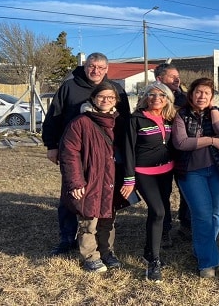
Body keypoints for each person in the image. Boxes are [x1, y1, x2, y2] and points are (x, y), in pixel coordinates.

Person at [42, 52, 130, 257]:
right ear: (84, 66)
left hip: (106, 155)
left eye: (100, 67)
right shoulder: (69, 87)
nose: (95, 71)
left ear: (107, 70)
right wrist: (51, 145)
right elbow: (54, 116)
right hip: (73, 152)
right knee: (71, 195)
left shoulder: (116, 90)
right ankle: (66, 238)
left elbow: (124, 122)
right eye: (91, 66)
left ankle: (101, 240)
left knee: (103, 197)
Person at [171, 77, 219, 278]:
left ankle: (203, 249)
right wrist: (212, 141)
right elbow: (181, 143)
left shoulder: (218, 113)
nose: (202, 96)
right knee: (201, 214)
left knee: (216, 212)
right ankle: (207, 262)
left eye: (207, 93)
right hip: (191, 171)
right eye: (198, 92)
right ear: (191, 93)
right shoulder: (181, 115)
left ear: (212, 97)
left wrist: (213, 109)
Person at [58, 82, 122, 272]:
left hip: (111, 179)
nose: (106, 100)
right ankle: (90, 256)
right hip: (90, 178)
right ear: (93, 98)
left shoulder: (119, 122)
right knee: (89, 220)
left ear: (115, 100)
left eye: (110, 97)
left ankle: (107, 251)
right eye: (102, 96)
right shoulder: (81, 123)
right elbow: (69, 154)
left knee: (108, 219)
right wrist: (76, 182)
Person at [122, 82, 177, 282]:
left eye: (161, 95)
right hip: (144, 173)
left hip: (166, 171)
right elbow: (127, 150)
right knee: (159, 211)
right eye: (152, 95)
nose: (156, 98)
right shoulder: (135, 119)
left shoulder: (170, 117)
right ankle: (154, 261)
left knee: (160, 211)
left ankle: (148, 250)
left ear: (167, 99)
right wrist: (129, 180)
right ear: (145, 97)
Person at [154, 63, 191, 245]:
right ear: (159, 79)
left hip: (185, 154)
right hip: (161, 156)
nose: (177, 80)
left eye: (178, 76)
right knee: (162, 194)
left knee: (188, 192)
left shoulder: (186, 99)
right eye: (172, 77)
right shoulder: (152, 99)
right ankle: (164, 231)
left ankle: (186, 226)